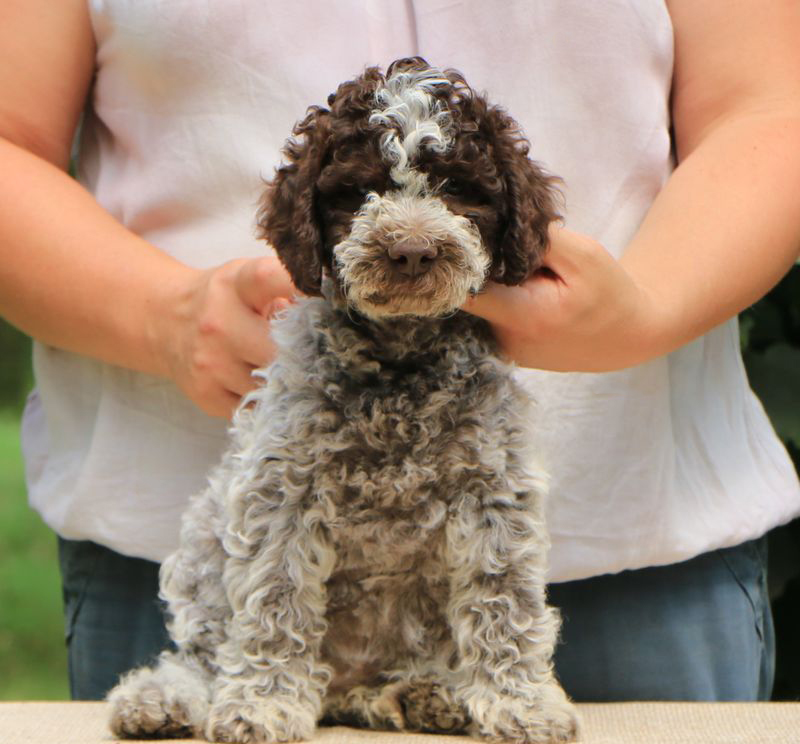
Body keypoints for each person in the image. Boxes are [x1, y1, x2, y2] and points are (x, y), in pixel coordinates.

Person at [2, 0, 799, 703]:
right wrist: (160, 318)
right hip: (192, 568)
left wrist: (648, 309)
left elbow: (771, 107)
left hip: (645, 553)